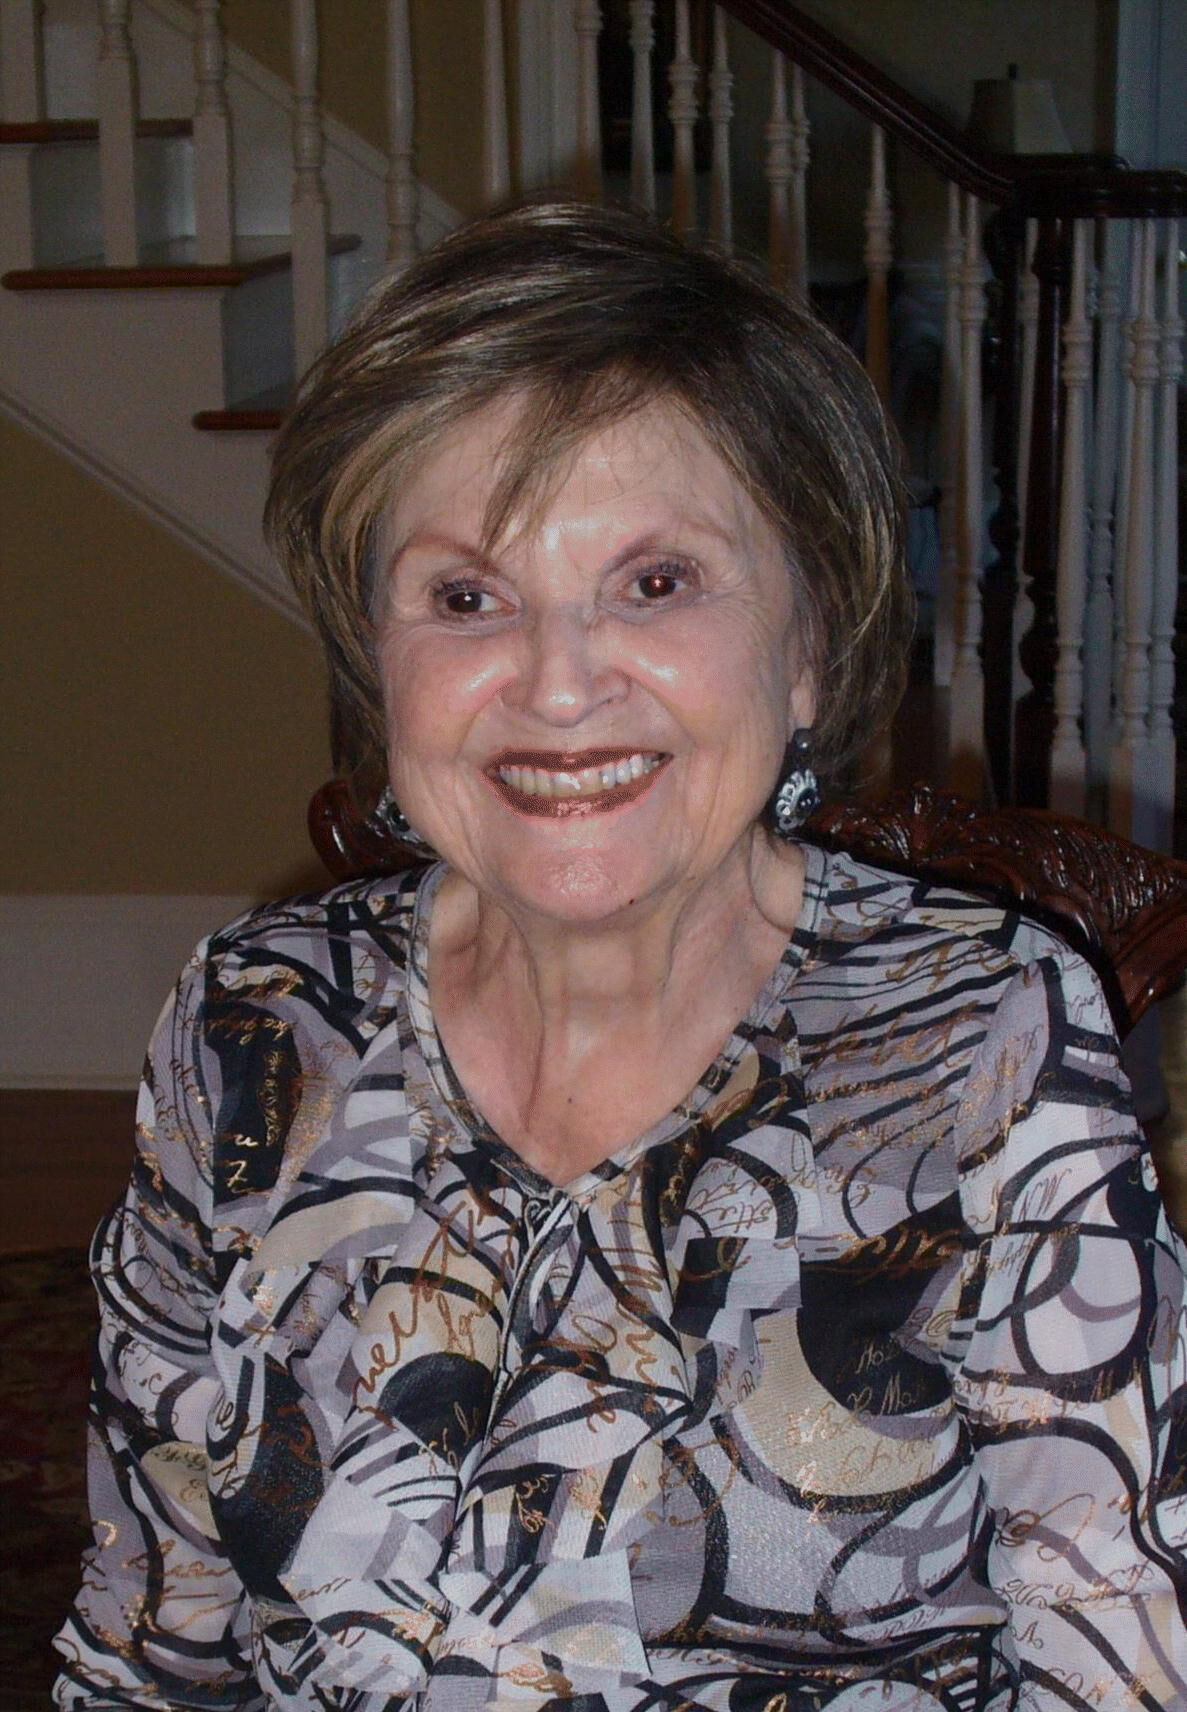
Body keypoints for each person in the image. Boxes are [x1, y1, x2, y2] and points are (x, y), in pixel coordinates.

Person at [55, 201, 1187, 1712]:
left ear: (807, 645)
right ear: (379, 659)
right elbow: (152, 1629)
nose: (557, 682)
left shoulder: (983, 1031)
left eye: (656, 583)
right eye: (466, 598)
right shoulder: (257, 1023)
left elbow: (1120, 1656)